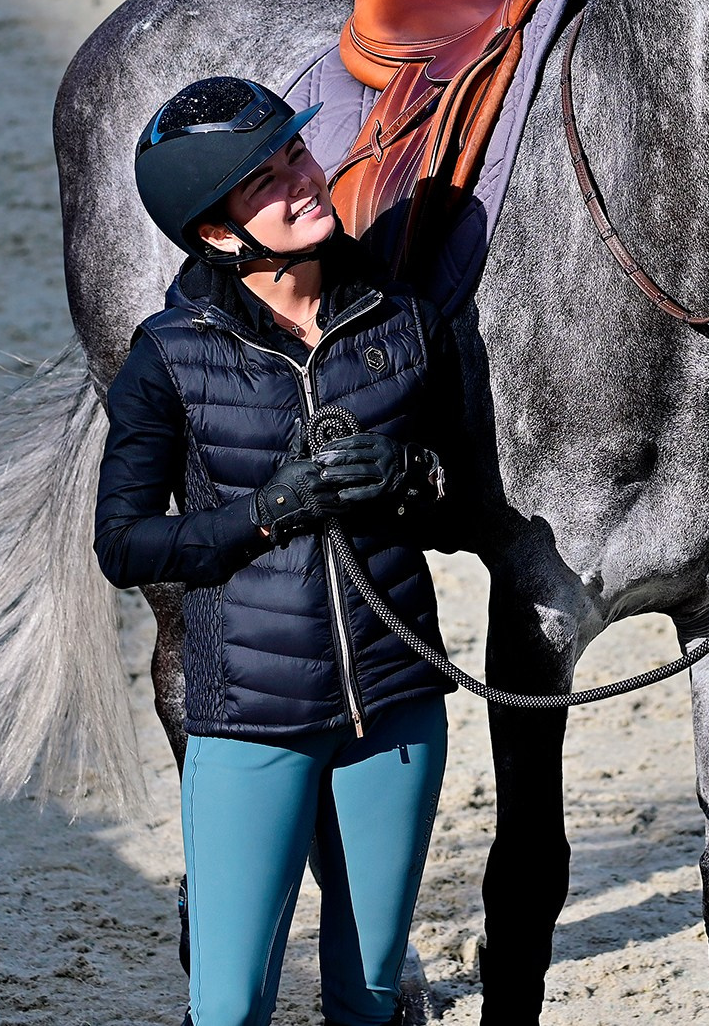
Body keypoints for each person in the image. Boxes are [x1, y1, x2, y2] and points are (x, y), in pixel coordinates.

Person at [95, 74, 458, 1026]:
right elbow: (125, 544)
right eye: (264, 178)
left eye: (295, 152)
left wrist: (412, 475)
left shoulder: (404, 319)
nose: (303, 179)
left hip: (398, 706)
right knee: (230, 1009)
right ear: (218, 233)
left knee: (373, 998)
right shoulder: (168, 357)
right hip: (252, 721)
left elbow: (470, 497)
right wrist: (265, 512)